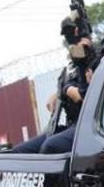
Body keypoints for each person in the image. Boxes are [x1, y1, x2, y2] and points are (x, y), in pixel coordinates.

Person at [12, 10, 94, 154]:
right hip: (71, 124)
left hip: (90, 125)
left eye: (75, 32)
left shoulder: (97, 58)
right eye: (69, 35)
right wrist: (59, 93)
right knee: (19, 152)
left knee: (50, 147)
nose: (72, 38)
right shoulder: (70, 66)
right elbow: (66, 84)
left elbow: (81, 95)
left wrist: (66, 89)